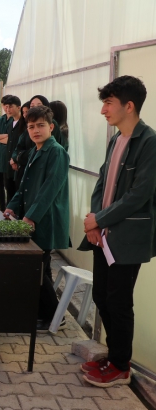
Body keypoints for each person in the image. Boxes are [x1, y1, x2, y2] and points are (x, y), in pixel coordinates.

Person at [78, 76, 156, 388]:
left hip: (125, 238)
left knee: (119, 301)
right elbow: (102, 182)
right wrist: (95, 219)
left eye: (108, 103)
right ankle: (114, 356)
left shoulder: (148, 142)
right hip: (103, 235)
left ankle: (121, 366)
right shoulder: (116, 139)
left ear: (129, 105)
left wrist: (100, 219)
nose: (103, 111)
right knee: (101, 295)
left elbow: (139, 195)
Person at [4, 106, 70, 332]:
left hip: (45, 220)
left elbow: (50, 189)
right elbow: (23, 187)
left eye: (40, 125)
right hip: (31, 219)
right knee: (36, 268)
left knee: (38, 269)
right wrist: (12, 207)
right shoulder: (34, 151)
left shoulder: (57, 152)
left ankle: (55, 316)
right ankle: (42, 312)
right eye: (31, 126)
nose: (35, 130)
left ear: (51, 127)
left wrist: (31, 216)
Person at [0, 95, 13, 211]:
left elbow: (12, 140)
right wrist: (6, 136)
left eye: (9, 106)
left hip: (7, 157)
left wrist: (3, 138)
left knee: (8, 185)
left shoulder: (15, 121)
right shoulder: (0, 120)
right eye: (5, 106)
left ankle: (9, 209)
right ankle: (1, 208)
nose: (7, 108)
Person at [4, 96, 24, 193]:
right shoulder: (9, 122)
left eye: (11, 107)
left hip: (18, 163)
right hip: (9, 163)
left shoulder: (24, 124)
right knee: (9, 190)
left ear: (19, 107)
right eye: (6, 107)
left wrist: (16, 159)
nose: (8, 110)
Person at [10, 101, 31, 189]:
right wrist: (14, 158)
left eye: (27, 112)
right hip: (20, 167)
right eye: (24, 112)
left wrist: (16, 158)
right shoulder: (22, 127)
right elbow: (18, 146)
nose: (25, 114)